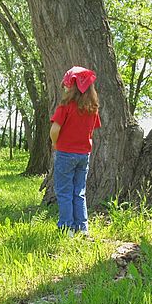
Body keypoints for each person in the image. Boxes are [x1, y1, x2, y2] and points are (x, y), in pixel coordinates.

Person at [50, 66, 101, 236]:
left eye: (65, 85)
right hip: (83, 155)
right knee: (79, 192)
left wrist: (55, 143)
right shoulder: (92, 109)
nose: (64, 88)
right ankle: (82, 228)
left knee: (64, 192)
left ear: (71, 87)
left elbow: (54, 130)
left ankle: (67, 228)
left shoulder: (65, 106)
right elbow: (92, 130)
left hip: (65, 153)